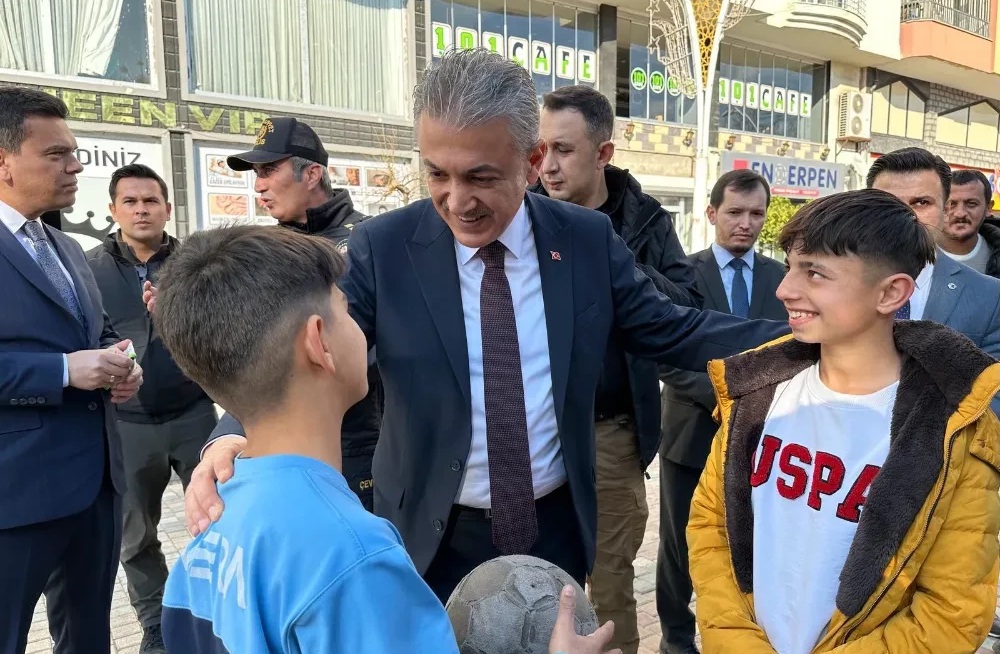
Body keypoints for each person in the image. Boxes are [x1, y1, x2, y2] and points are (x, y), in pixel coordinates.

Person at [181, 49, 788, 608]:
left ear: (529, 163)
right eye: (437, 174)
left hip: (554, 529)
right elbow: (306, 347)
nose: (456, 200)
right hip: (428, 535)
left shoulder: (583, 241)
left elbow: (673, 329)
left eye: (480, 177)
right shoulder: (383, 248)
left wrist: (814, 334)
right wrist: (234, 435)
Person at [155, 224, 622, 654]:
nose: (360, 326)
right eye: (346, 310)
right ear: (318, 342)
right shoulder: (355, 557)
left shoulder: (213, 518)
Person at [689, 189, 1000, 654]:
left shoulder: (955, 432)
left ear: (891, 293)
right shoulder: (757, 395)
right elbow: (711, 529)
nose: (785, 289)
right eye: (790, 267)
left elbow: (950, 616)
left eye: (815, 273)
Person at [531, 84, 700, 654]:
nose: (546, 166)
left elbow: (683, 310)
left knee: (607, 584)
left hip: (609, 435)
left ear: (602, 153)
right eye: (539, 150)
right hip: (525, 432)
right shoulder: (519, 213)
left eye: (563, 151)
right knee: (530, 579)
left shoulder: (646, 222)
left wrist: (608, 248)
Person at [0, 87, 143, 654]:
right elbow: (66, 361)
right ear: (4, 160)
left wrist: (121, 365)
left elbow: (100, 336)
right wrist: (62, 371)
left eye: (75, 154)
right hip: (15, 498)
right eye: (56, 154)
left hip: (97, 489)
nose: (75, 167)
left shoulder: (62, 250)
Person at [193, 116, 383, 511]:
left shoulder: (369, 242)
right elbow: (258, 349)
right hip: (276, 447)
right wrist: (229, 433)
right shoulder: (266, 250)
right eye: (255, 174)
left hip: (360, 445)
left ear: (312, 173)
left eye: (268, 170)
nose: (258, 185)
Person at [656, 169, 788, 654]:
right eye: (735, 212)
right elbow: (665, 351)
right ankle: (675, 634)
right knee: (679, 543)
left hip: (761, 438)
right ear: (711, 214)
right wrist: (727, 397)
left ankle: (744, 634)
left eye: (756, 213)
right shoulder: (683, 273)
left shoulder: (783, 278)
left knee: (749, 540)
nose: (746, 224)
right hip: (692, 433)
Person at [85, 163, 218, 654]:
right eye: (131, 202)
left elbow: (227, 327)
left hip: (195, 414)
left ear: (167, 207)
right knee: (136, 534)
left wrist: (179, 311)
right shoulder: (89, 267)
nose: (142, 210)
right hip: (127, 424)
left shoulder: (196, 263)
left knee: (218, 519)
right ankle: (154, 627)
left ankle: (216, 618)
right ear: (115, 210)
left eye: (151, 201)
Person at [867, 147, 1000, 419]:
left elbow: (991, 404)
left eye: (921, 202)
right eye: (888, 202)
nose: (904, 215)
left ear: (945, 209)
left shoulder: (989, 297)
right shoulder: (830, 287)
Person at [945, 169, 1000, 279]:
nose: (960, 214)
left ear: (988, 208)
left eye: (971, 204)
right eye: (951, 204)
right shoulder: (912, 252)